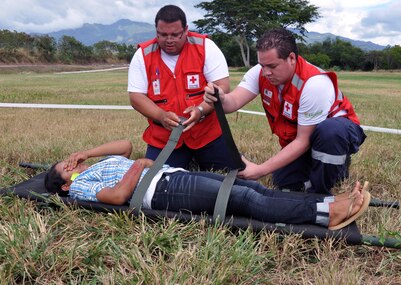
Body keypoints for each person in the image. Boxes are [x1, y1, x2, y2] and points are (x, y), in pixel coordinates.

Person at [44, 140, 371, 230]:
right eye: (67, 167)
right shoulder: (80, 187)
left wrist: (85, 153)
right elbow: (116, 196)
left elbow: (126, 145)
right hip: (161, 192)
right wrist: (142, 166)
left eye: (75, 162)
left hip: (170, 176)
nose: (75, 165)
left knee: (253, 188)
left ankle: (325, 204)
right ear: (63, 186)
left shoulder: (93, 166)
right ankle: (326, 216)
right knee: (244, 199)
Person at [204, 28, 367, 194]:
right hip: (302, 137)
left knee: (330, 133)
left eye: (272, 66)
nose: (266, 72)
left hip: (338, 133)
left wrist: (260, 170)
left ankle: (331, 177)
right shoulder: (259, 72)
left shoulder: (314, 83)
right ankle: (320, 170)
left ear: (291, 58)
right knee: (284, 183)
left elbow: (304, 140)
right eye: (262, 65)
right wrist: (221, 98)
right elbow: (233, 103)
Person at [128, 4, 234, 171]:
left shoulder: (205, 47)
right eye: (163, 35)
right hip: (165, 138)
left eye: (175, 35)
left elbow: (222, 86)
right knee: (155, 182)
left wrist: (200, 110)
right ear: (156, 31)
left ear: (186, 30)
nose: (169, 40)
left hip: (207, 134)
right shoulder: (143, 55)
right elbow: (136, 97)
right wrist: (161, 115)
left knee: (232, 175)